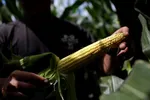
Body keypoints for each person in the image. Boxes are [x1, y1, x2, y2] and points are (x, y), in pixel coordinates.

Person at [0, 0, 129, 100]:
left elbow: (104, 67)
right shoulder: (5, 34)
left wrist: (112, 48)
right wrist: (3, 85)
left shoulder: (76, 32)